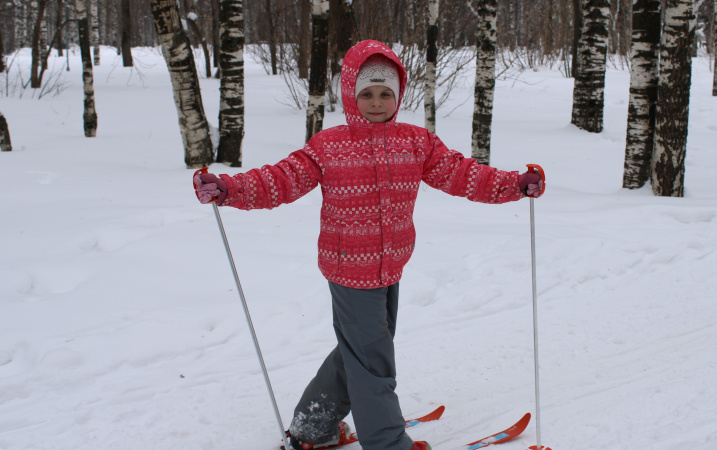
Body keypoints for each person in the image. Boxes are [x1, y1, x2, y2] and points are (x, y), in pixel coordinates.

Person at [193, 40, 543, 450]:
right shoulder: (329, 145)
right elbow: (281, 179)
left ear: (397, 96)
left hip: (390, 266)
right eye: (366, 94)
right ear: (350, 95)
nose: (376, 102)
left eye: (385, 93)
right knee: (374, 361)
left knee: (358, 353)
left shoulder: (416, 142)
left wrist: (513, 185)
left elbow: (462, 174)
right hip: (348, 270)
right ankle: (387, 441)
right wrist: (230, 188)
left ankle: (313, 427)